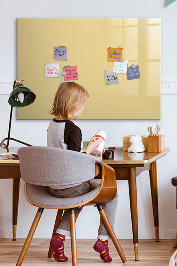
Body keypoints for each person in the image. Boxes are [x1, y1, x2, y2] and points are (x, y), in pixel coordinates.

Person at [47, 82, 118, 263]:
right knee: (112, 194)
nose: (82, 109)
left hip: (53, 186)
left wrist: (88, 150)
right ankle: (103, 240)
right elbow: (75, 161)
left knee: (77, 198)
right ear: (73, 104)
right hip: (70, 186)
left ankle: (59, 238)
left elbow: (64, 154)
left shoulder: (52, 125)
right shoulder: (73, 129)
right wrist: (91, 148)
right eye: (82, 105)